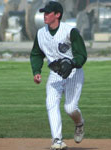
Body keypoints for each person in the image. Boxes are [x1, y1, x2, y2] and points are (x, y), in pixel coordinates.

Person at [30, 1, 87, 149]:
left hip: (73, 73)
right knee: (51, 103)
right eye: (44, 13)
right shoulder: (41, 34)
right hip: (55, 74)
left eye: (48, 13)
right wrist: (36, 71)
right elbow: (36, 54)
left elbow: (82, 54)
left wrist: (72, 63)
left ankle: (79, 123)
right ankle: (57, 140)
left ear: (57, 15)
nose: (45, 15)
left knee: (70, 108)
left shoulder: (70, 31)